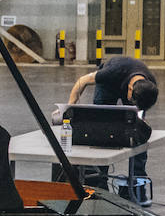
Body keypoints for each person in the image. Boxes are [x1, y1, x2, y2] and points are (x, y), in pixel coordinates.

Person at [67, 53, 159, 181]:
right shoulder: (110, 73)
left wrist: (139, 121)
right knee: (101, 128)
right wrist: (69, 107)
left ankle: (138, 177)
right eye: (135, 104)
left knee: (138, 134)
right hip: (109, 85)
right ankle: (98, 176)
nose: (137, 108)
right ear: (130, 89)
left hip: (132, 86)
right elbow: (82, 81)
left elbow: (140, 114)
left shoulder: (149, 86)